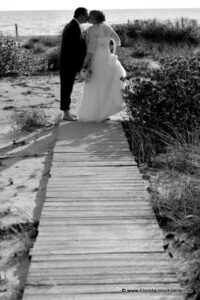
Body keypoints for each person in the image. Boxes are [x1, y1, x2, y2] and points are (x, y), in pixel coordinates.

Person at [78, 10, 126, 122]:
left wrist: (85, 63)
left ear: (95, 18)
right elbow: (117, 41)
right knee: (105, 84)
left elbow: (90, 49)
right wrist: (114, 54)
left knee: (95, 84)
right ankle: (104, 113)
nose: (88, 17)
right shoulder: (108, 27)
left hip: (97, 58)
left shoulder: (91, 30)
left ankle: (96, 113)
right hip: (107, 57)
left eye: (90, 16)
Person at [59, 7, 88, 121]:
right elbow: (74, 48)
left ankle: (67, 112)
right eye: (86, 15)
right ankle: (66, 114)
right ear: (81, 15)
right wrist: (80, 64)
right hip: (68, 63)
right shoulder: (73, 27)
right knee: (66, 88)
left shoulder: (73, 26)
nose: (87, 18)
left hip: (68, 62)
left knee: (67, 88)